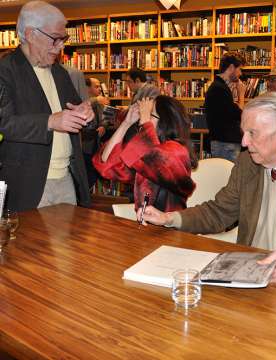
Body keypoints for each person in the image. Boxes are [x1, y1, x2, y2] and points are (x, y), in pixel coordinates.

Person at [138, 92, 276, 283]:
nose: (243, 142)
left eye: (252, 133)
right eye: (243, 132)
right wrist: (169, 218)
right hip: (248, 276)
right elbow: (219, 212)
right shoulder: (247, 163)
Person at [0, 0, 94, 212]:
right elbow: (4, 123)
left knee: (68, 246)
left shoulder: (60, 72)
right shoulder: (5, 71)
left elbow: (76, 111)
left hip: (67, 179)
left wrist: (85, 115)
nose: (61, 46)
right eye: (55, 38)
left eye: (63, 39)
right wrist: (51, 121)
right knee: (28, 246)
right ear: (31, 34)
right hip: (28, 185)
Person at [93, 95, 197, 212]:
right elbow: (107, 164)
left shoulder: (177, 150)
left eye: (149, 114)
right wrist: (126, 123)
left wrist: (145, 122)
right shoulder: (145, 152)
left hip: (169, 226)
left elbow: (157, 160)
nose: (143, 117)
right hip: (145, 222)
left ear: (165, 121)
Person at [204, 52, 246, 162]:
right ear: (231, 67)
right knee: (227, 177)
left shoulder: (219, 87)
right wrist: (241, 94)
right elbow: (239, 114)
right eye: (239, 69)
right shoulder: (220, 88)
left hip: (224, 143)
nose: (240, 74)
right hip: (226, 144)